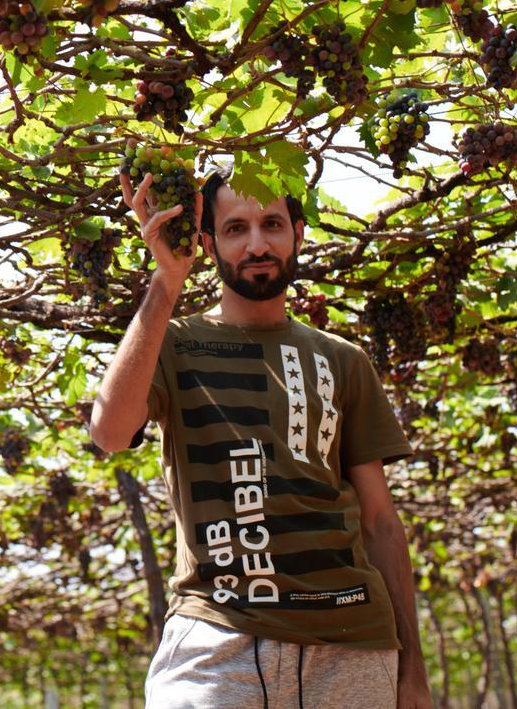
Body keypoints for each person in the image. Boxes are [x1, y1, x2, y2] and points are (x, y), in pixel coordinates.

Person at [89, 164, 434, 709]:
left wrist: (412, 670)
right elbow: (110, 432)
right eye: (235, 229)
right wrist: (166, 280)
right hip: (216, 636)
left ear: (298, 233)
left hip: (353, 644)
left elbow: (380, 523)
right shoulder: (172, 343)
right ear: (208, 242)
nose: (257, 244)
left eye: (272, 224)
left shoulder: (343, 360)